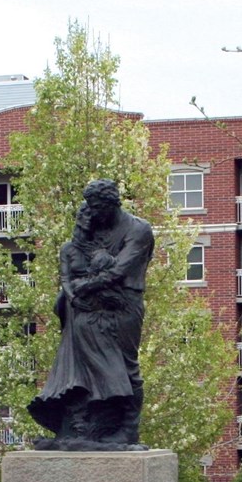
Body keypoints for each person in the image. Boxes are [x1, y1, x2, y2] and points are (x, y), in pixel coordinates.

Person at [28, 179, 155, 448]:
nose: (93, 212)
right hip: (86, 309)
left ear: (111, 204)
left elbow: (118, 270)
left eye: (97, 207)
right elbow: (75, 254)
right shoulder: (95, 224)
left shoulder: (138, 229)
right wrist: (72, 291)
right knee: (84, 367)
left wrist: (81, 286)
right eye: (90, 207)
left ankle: (128, 430)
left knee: (126, 367)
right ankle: (83, 427)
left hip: (125, 305)